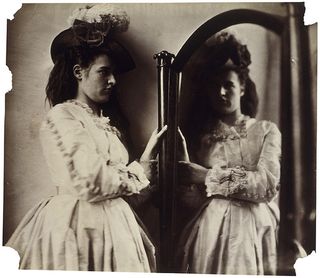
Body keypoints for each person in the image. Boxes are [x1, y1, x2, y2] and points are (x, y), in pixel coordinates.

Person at [6, 4, 166, 272]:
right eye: (104, 72)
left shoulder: (107, 124)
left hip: (117, 227)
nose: (113, 80)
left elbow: (120, 192)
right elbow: (92, 183)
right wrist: (139, 171)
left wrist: (148, 156)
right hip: (75, 225)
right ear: (79, 73)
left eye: (114, 73)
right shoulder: (63, 115)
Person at [176, 32, 281, 275]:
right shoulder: (202, 136)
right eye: (215, 86)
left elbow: (266, 185)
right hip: (213, 227)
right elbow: (194, 199)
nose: (222, 92)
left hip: (254, 227)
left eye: (229, 85)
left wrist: (205, 175)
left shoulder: (265, 131)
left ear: (242, 87)